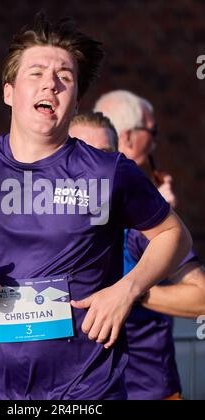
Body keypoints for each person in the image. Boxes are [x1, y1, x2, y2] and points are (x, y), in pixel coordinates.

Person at [0, 13, 192, 400]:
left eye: (64, 75)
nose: (51, 82)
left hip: (91, 390)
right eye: (36, 73)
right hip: (8, 392)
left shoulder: (107, 170)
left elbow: (173, 235)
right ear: (9, 92)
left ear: (76, 98)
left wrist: (127, 289)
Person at [94, 90, 205, 399]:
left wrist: (129, 292)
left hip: (146, 390)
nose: (154, 143)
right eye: (151, 133)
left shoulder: (147, 224)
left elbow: (201, 299)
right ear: (128, 137)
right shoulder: (52, 211)